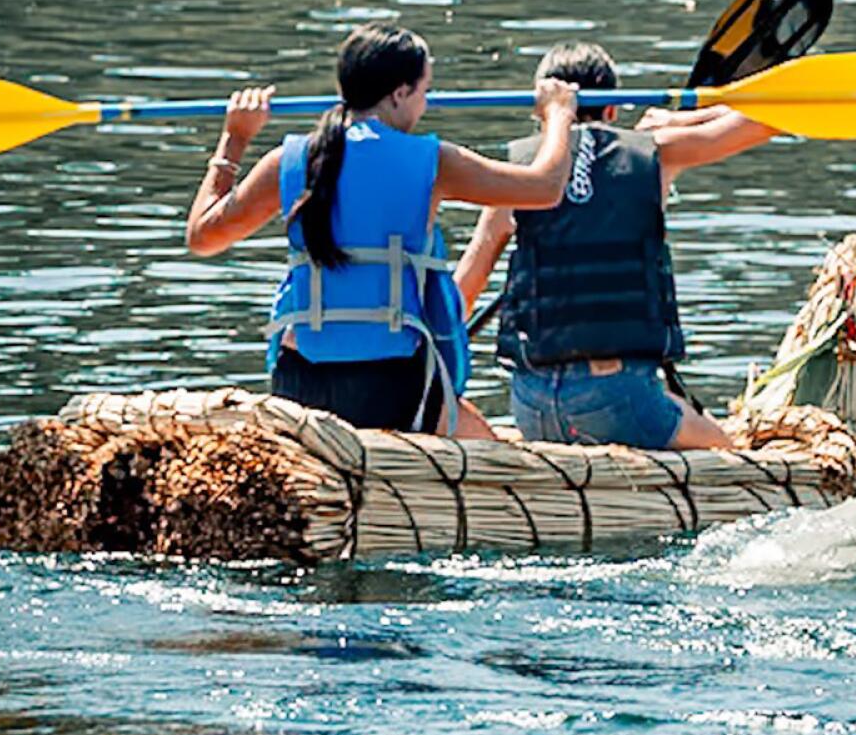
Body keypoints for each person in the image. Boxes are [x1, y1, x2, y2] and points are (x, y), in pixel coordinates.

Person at [184, 22, 582, 438]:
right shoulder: (432, 161)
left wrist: (235, 137)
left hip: (299, 382)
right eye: (424, 92)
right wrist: (558, 115)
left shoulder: (289, 160)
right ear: (399, 93)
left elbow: (203, 236)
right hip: (389, 382)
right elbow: (545, 187)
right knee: (500, 463)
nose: (424, 106)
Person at [452, 41, 778, 451]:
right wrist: (685, 121)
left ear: (543, 111)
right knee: (728, 450)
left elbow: (460, 295)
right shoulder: (655, 153)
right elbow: (763, 122)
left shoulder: (518, 173)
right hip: (618, 401)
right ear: (612, 109)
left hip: (531, 405)